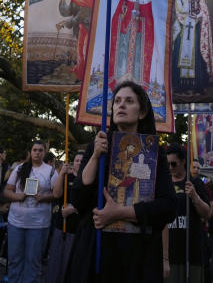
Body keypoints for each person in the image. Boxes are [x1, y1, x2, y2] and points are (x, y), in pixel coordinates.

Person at [65, 80, 175, 282]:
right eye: (117, 101)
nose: (121, 105)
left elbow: (168, 207)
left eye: (129, 101)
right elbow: (78, 199)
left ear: (141, 112)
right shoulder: (97, 146)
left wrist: (120, 213)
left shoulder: (154, 153)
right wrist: (96, 156)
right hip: (96, 251)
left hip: (137, 256)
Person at [3, 139, 56, 283]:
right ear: (30, 152)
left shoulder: (50, 171)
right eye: (35, 150)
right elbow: (7, 191)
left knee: (33, 264)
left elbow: (57, 194)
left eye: (40, 150)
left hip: (39, 224)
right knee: (14, 261)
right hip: (16, 222)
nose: (37, 153)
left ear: (44, 153)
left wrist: (44, 197)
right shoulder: (20, 168)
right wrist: (17, 196)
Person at [163, 143, 212, 283]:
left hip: (192, 252)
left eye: (173, 164)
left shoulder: (195, 183)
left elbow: (207, 214)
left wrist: (195, 197)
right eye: (168, 164)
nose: (170, 168)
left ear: (183, 162)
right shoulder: (164, 184)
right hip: (170, 253)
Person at [170, 0, 213, 100]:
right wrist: (188, 12)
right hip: (181, 30)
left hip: (194, 29)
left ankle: (197, 86)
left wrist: (198, 14)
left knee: (196, 55)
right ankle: (179, 86)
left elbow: (204, 12)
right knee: (179, 54)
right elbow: (179, 11)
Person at [110, 0, 156, 88]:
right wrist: (125, 15)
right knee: (123, 58)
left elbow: (150, 24)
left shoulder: (147, 0)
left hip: (140, 37)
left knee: (137, 60)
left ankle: (136, 83)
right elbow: (116, 19)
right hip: (125, 36)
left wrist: (140, 19)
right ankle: (120, 80)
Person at [45, 150, 83, 283]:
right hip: (61, 225)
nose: (79, 163)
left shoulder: (88, 180)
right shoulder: (67, 177)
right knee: (56, 261)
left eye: (81, 161)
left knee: (71, 263)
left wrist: (74, 209)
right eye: (77, 160)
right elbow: (56, 194)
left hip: (77, 229)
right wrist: (61, 173)